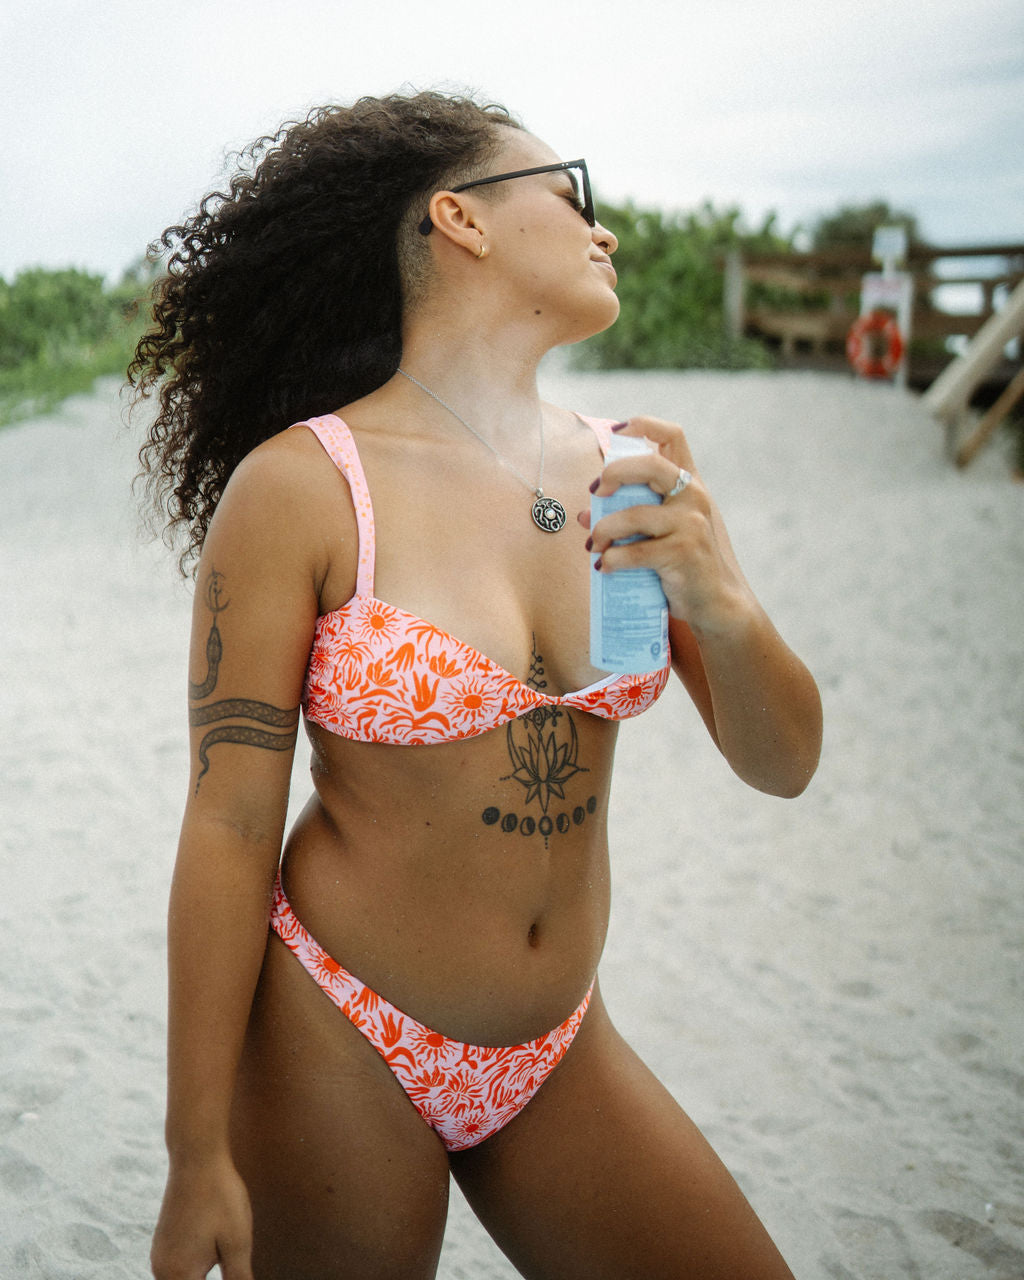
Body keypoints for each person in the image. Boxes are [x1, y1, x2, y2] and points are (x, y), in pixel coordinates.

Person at [131, 90, 822, 1280]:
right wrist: (196, 1148)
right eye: (570, 190)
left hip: (558, 1047)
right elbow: (232, 819)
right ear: (459, 219)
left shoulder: (632, 468)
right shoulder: (304, 485)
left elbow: (782, 763)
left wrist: (723, 597)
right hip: (338, 1032)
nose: (602, 230)